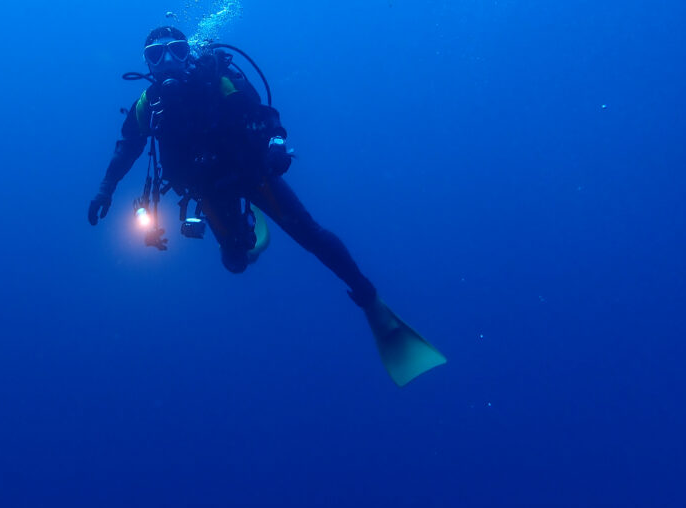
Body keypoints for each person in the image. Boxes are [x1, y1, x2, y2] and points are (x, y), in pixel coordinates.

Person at [87, 26, 445, 386]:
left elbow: (264, 115)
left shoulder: (217, 78)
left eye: (177, 50)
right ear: (146, 62)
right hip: (208, 191)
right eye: (156, 55)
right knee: (235, 262)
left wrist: (276, 143)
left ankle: (371, 302)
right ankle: (247, 235)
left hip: (252, 174)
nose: (167, 61)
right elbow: (127, 148)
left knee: (311, 235)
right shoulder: (148, 106)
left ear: (189, 52)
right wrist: (105, 189)